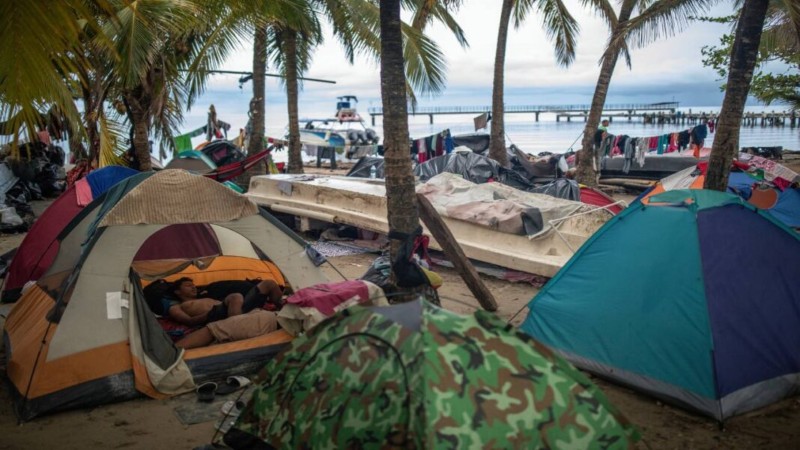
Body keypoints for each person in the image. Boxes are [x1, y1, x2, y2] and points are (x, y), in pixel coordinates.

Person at [165, 277, 284, 327]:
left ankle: (284, 311)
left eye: (194, 285)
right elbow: (189, 321)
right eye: (188, 286)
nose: (194, 287)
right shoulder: (177, 306)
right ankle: (237, 327)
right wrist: (207, 315)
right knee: (235, 296)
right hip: (216, 315)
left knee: (269, 283)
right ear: (177, 292)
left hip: (234, 310)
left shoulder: (204, 297)